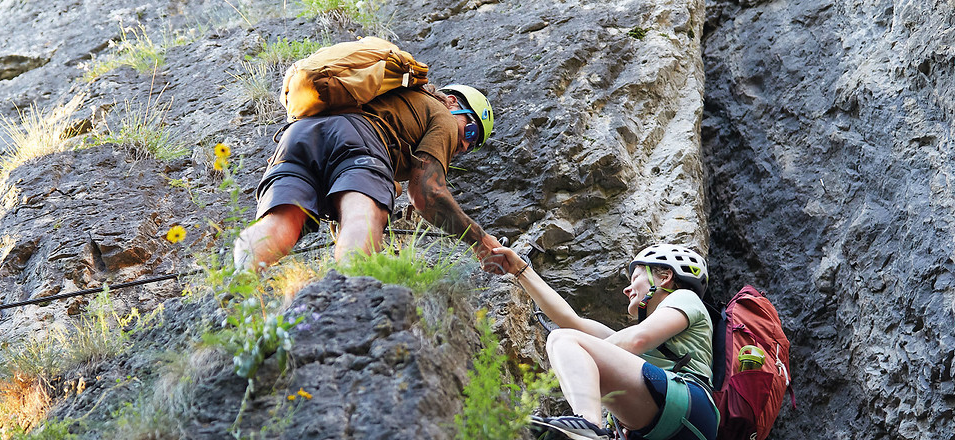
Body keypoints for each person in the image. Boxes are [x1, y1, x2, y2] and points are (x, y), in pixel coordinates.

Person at [233, 84, 519, 275]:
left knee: (282, 222)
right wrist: (480, 241)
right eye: (470, 133)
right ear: (454, 102)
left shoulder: (397, 104)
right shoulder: (442, 116)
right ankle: (355, 293)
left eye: (473, 146)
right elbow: (425, 194)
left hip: (298, 133)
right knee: (362, 214)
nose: (465, 146)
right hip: (358, 138)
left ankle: (239, 283)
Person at [492, 243, 719, 440]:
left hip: (688, 404)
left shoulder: (684, 298)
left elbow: (638, 339)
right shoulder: (641, 347)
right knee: (566, 337)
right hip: (675, 421)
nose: (626, 289)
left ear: (665, 277)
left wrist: (584, 358)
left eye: (636, 277)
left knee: (563, 339)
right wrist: (519, 270)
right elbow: (571, 321)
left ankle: (587, 424)